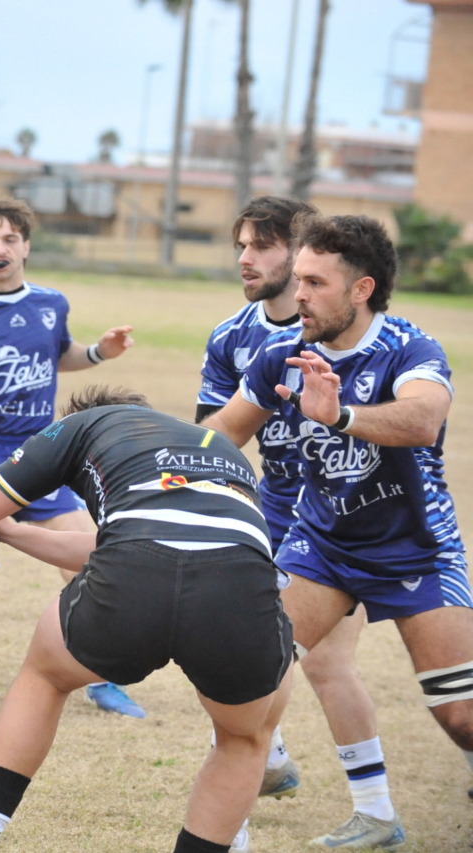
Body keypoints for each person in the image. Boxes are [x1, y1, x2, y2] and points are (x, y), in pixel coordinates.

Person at [0, 385, 294, 853]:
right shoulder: (214, 448)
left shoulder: (79, 427)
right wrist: (16, 533)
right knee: (244, 737)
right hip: (241, 585)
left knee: (46, 675)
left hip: (136, 576)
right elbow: (133, 542)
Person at [202, 212, 473, 850]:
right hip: (320, 547)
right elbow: (222, 433)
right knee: (248, 686)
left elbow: (423, 420)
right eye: (298, 279)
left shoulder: (410, 348)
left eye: (316, 283)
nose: (299, 295)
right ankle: (225, 837)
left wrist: (342, 413)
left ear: (361, 290)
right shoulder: (282, 354)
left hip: (416, 547)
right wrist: (150, 460)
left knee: (461, 716)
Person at [197, 196, 394, 850]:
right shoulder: (232, 336)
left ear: (302, 253)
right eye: (241, 246)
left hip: (340, 520)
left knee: (292, 666)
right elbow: (215, 435)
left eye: (262, 246)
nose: (246, 259)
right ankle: (348, 797)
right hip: (271, 515)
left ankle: (261, 810)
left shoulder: (353, 331)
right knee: (284, 662)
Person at [0, 198, 142, 718]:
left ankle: (101, 677)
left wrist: (101, 352)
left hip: (42, 456)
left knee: (90, 558)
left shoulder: (51, 303)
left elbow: (58, 356)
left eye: (10, 239)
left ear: (26, 247)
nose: (0, 248)